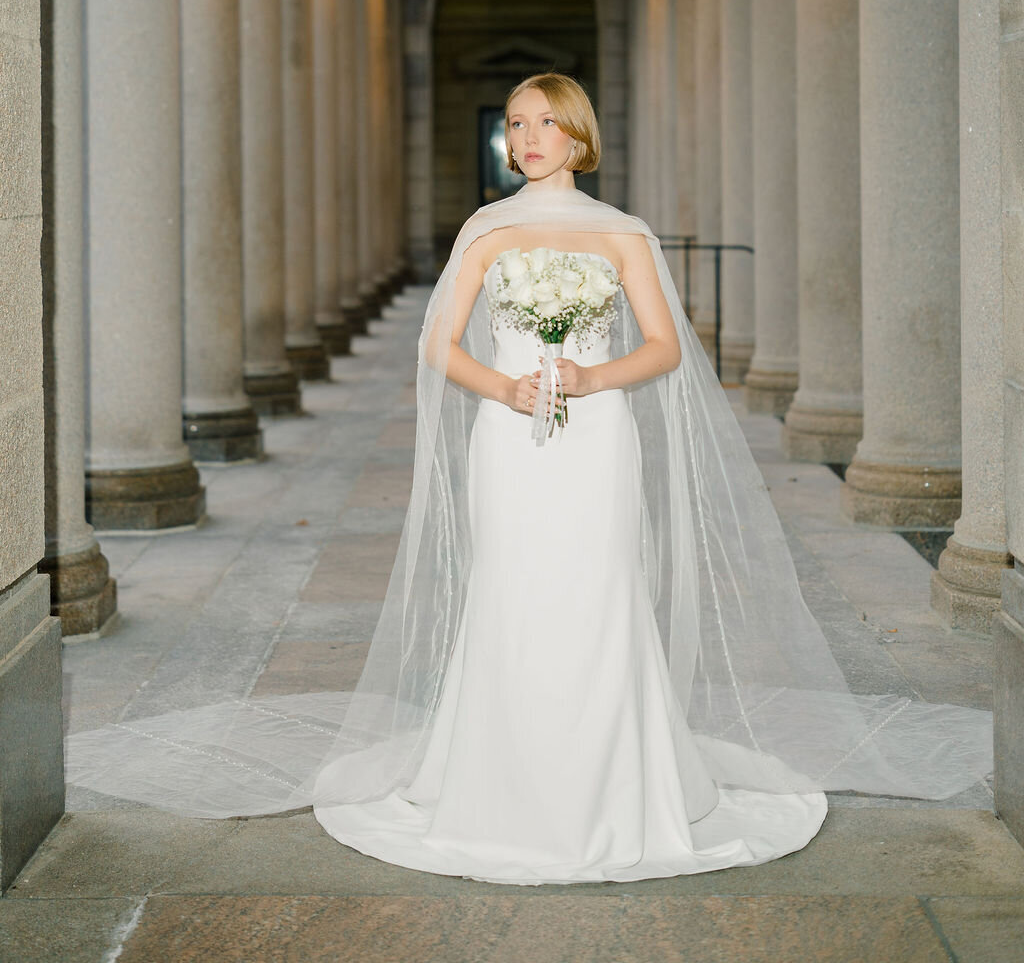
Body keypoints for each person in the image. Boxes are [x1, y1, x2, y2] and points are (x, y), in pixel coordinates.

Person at [66, 74, 992, 885]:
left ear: (580, 135)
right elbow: (440, 345)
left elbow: (666, 347)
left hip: (598, 440)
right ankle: (497, 781)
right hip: (510, 444)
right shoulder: (488, 230)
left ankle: (614, 784)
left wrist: (589, 376)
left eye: (541, 121)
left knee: (600, 593)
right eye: (513, 123)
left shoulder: (623, 233)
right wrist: (505, 386)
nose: (524, 137)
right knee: (513, 593)